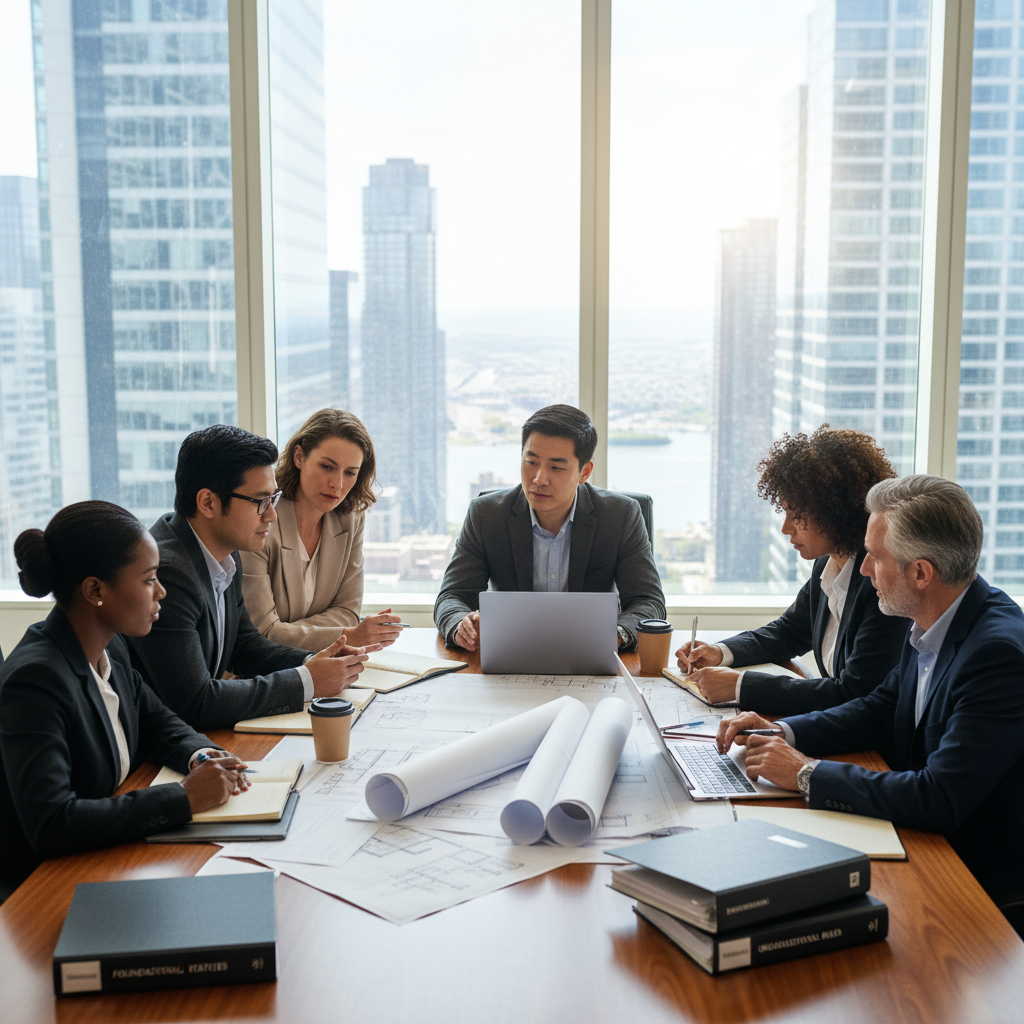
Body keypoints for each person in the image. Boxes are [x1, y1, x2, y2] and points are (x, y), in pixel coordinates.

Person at [718, 475, 1024, 916]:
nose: (862, 569)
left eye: (875, 558)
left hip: (968, 879)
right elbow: (880, 708)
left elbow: (939, 797)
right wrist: (782, 730)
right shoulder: (929, 617)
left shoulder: (996, 655)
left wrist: (806, 773)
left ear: (921, 573)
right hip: (920, 839)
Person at [0, 501, 250, 895]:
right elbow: (52, 823)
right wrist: (182, 798)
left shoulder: (109, 647)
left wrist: (200, 755)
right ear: (95, 590)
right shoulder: (36, 681)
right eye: (149, 579)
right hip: (49, 887)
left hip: (109, 859)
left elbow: (158, 723)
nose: (162, 592)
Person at [128, 424, 379, 731]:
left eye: (273, 500)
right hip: (151, 754)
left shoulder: (224, 552)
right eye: (261, 502)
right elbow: (196, 702)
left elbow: (245, 647)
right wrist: (307, 681)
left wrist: (316, 661)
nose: (271, 516)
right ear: (207, 503)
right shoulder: (171, 574)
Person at [676, 426, 910, 716]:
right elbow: (788, 632)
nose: (786, 528)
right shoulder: (827, 564)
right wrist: (720, 653)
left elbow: (853, 692)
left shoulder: (880, 584)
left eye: (797, 516)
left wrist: (740, 686)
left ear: (834, 513)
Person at [434, 404, 665, 652]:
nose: (539, 478)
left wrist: (618, 635)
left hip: (590, 657)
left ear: (584, 472)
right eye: (531, 462)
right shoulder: (486, 514)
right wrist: (461, 625)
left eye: (556, 467)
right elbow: (452, 596)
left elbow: (648, 601)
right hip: (511, 654)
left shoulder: (620, 516)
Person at [241, 408, 402, 653]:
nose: (337, 484)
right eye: (327, 466)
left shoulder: (351, 519)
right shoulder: (261, 519)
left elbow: (348, 612)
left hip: (323, 667)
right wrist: (350, 636)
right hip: (258, 677)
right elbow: (262, 633)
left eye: (350, 473)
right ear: (299, 457)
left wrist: (288, 630)